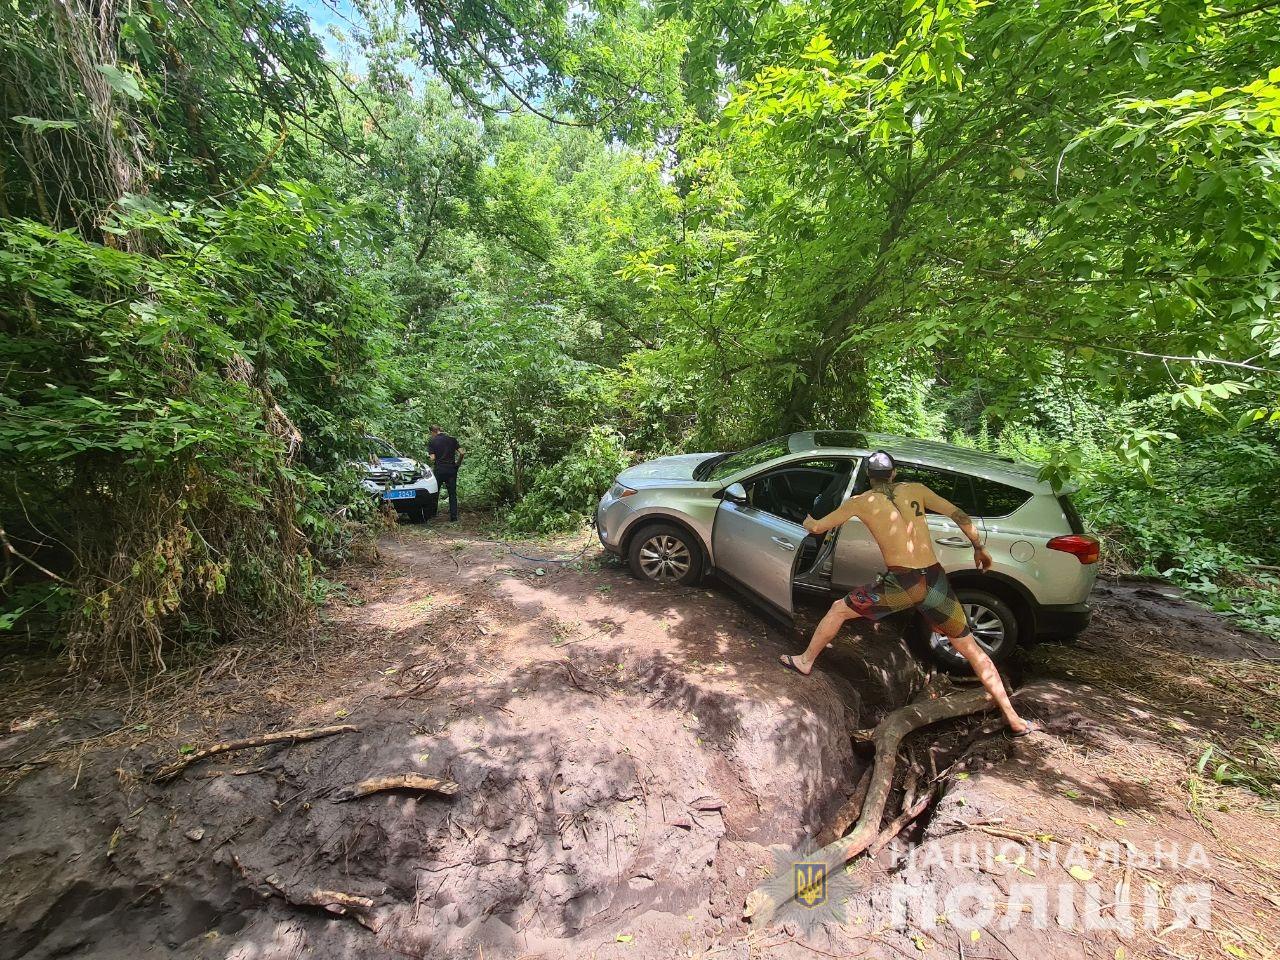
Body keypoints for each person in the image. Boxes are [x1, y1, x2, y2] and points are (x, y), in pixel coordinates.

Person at [779, 450, 1034, 737]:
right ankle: (1014, 718)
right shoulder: (917, 489)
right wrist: (979, 547)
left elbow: (816, 528)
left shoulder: (860, 502)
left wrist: (808, 517)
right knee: (972, 650)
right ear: (894, 474)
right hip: (934, 580)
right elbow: (959, 514)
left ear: (867, 477)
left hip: (903, 584)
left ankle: (805, 661)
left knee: (839, 608)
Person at [427, 425, 463, 522]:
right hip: (451, 469)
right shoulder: (452, 439)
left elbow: (433, 458)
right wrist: (458, 464)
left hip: (439, 469)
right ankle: (454, 517)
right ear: (440, 430)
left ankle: (433, 514)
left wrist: (430, 457)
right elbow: (462, 452)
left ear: (432, 432)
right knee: (452, 493)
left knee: (435, 492)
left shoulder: (432, 441)